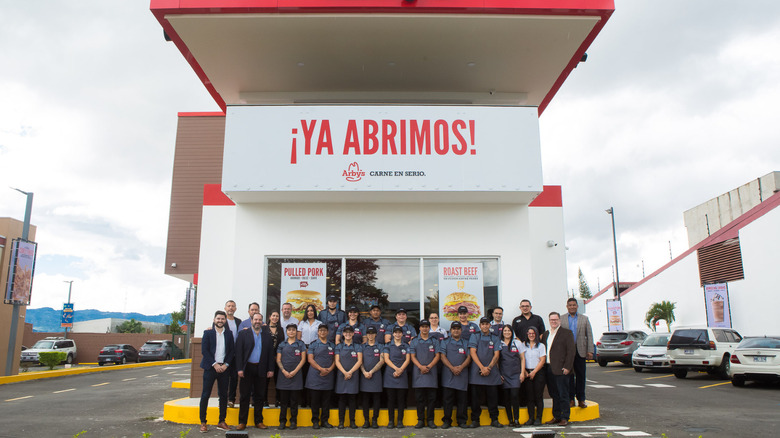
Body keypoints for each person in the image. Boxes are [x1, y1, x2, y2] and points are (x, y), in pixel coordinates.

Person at [235, 313, 275, 430]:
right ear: (251, 320)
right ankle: (242, 422)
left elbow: (270, 354)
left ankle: (258, 421)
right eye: (255, 319)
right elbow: (238, 353)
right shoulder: (243, 334)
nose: (257, 321)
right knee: (244, 396)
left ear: (262, 322)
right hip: (247, 369)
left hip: (261, 368)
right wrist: (239, 368)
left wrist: (271, 369)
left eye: (260, 320)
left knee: (260, 396)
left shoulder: (267, 335)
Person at [199, 310, 235, 433]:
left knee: (223, 395)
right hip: (211, 368)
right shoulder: (208, 333)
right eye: (218, 318)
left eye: (222, 319)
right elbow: (205, 351)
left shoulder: (229, 334)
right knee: (205, 395)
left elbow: (231, 351)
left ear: (225, 320)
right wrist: (214, 364)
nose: (220, 321)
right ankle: (203, 422)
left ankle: (221, 421)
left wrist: (226, 365)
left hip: (224, 369)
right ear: (214, 319)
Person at [541, 312, 575, 426]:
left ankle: (565, 417)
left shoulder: (567, 333)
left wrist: (567, 367)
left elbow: (571, 352)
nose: (553, 321)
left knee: (563, 394)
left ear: (559, 320)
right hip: (549, 368)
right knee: (554, 394)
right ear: (549, 321)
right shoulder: (546, 334)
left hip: (561, 369)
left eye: (555, 319)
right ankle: (556, 416)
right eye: (551, 320)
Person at [468, 317, 503, 428]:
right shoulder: (474, 336)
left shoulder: (495, 337)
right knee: (475, 399)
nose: (485, 326)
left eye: (487, 324)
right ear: (480, 325)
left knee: (493, 398)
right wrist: (482, 367)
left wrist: (488, 368)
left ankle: (494, 419)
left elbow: (496, 355)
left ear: (490, 325)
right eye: (482, 324)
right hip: (476, 372)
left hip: (491, 373)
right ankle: (475, 420)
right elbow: (473, 353)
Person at [560, 297, 594, 409]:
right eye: (570, 305)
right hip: (567, 352)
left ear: (577, 306)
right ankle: (571, 399)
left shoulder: (584, 319)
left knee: (581, 375)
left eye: (574, 305)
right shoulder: (562, 318)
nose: (572, 307)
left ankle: (581, 399)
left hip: (581, 350)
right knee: (568, 376)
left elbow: (589, 335)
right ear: (567, 306)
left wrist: (590, 350)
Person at [439, 321, 471, 429]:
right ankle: (447, 421)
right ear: (450, 330)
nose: (456, 330)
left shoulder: (466, 342)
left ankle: (461, 421)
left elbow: (469, 357)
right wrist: (452, 368)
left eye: (458, 328)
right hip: (448, 376)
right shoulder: (445, 341)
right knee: (447, 400)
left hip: (462, 375)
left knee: (462, 400)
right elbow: (442, 356)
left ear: (461, 330)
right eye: (454, 328)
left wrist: (461, 367)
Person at [410, 319, 440, 429]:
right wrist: (420, 367)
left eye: (426, 326)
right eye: (422, 326)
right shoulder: (414, 341)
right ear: (419, 328)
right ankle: (421, 420)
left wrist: (429, 366)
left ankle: (431, 420)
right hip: (418, 374)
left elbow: (437, 355)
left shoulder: (434, 341)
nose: (424, 328)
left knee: (432, 399)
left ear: (429, 328)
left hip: (431, 374)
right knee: (420, 399)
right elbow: (412, 356)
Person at [276, 324, 307, 430]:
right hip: (283, 376)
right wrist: (284, 371)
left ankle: (293, 421)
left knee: (294, 401)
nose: (291, 332)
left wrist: (295, 371)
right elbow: (278, 360)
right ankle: (282, 421)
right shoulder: (282, 344)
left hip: (296, 376)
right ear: (287, 332)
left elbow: (303, 360)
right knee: (283, 402)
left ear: (296, 332)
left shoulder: (301, 344)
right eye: (289, 330)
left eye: (293, 330)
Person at [306, 324, 336, 429]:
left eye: (324, 330)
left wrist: (330, 369)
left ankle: (325, 421)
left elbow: (335, 360)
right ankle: (315, 421)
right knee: (315, 401)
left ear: (327, 332)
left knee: (326, 401)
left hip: (328, 376)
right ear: (318, 332)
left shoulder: (332, 345)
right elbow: (310, 359)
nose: (322, 332)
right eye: (320, 330)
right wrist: (321, 369)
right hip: (315, 376)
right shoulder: (313, 345)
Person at [335, 325, 363, 428]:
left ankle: (352, 421)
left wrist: (350, 372)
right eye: (346, 332)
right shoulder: (338, 346)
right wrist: (344, 372)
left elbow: (359, 361)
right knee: (341, 399)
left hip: (353, 375)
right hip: (341, 375)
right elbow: (336, 361)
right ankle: (341, 422)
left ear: (353, 334)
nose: (348, 334)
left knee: (352, 399)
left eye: (350, 332)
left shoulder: (357, 346)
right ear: (343, 334)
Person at [383, 326, 411, 429]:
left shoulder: (406, 345)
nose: (398, 334)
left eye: (400, 333)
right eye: (396, 333)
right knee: (390, 400)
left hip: (402, 375)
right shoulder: (388, 345)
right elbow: (386, 359)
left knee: (401, 400)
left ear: (402, 334)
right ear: (393, 334)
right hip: (390, 374)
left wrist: (400, 370)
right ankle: (391, 421)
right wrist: (396, 369)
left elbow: (408, 359)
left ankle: (400, 421)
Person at [359, 326, 384, 429]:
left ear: (375, 334)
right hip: (364, 375)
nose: (370, 335)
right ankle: (366, 420)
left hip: (376, 375)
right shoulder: (362, 346)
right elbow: (359, 361)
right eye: (368, 333)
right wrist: (364, 372)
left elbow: (382, 360)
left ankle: (374, 420)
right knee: (365, 399)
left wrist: (372, 371)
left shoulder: (381, 346)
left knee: (376, 399)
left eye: (372, 333)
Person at [521, 326, 546, 426]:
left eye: (533, 333)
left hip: (538, 372)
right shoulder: (523, 345)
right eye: (529, 333)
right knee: (530, 397)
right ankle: (531, 418)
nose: (531, 335)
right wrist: (525, 371)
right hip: (527, 373)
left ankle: (538, 418)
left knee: (538, 396)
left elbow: (542, 360)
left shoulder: (541, 346)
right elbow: (521, 359)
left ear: (536, 334)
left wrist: (534, 372)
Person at [498, 324, 523, 427]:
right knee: (507, 398)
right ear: (502, 332)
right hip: (504, 374)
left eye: (509, 331)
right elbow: (496, 360)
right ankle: (510, 420)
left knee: (514, 396)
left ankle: (516, 419)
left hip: (515, 374)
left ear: (512, 332)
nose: (507, 332)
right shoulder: (499, 344)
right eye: (505, 331)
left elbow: (522, 358)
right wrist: (499, 374)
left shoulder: (517, 343)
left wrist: (522, 372)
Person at [224, 300, 242, 408]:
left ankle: (231, 399)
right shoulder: (221, 320)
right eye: (229, 306)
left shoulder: (239, 322)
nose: (231, 308)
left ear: (235, 309)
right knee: (223, 378)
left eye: (233, 306)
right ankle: (222, 398)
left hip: (235, 354)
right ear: (225, 308)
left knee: (234, 377)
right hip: (224, 354)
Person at [265, 310, 285, 407]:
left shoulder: (280, 329)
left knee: (278, 380)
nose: (275, 318)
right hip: (266, 358)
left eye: (277, 316)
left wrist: (278, 355)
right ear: (270, 317)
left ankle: (279, 400)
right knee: (265, 381)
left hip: (277, 357)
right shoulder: (264, 328)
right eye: (273, 316)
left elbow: (282, 344)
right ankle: (264, 400)